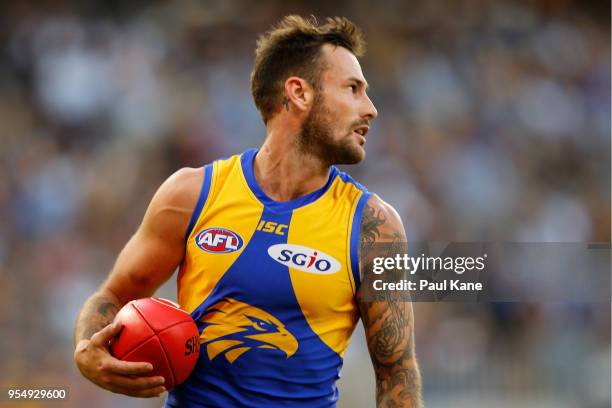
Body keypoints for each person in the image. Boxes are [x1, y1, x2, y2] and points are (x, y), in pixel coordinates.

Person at [74, 15, 422, 408]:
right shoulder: (192, 194)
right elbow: (115, 294)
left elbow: (397, 373)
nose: (371, 109)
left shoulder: (373, 227)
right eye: (353, 89)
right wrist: (88, 349)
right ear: (299, 93)